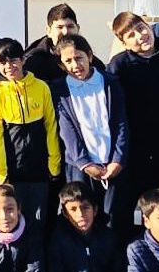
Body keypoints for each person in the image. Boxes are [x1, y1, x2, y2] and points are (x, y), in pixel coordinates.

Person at [107, 12, 159, 231]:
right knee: (122, 215)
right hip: (131, 153)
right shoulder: (119, 66)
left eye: (141, 28)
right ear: (124, 43)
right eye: (131, 35)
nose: (140, 36)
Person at [0, 38, 61, 227]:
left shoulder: (41, 87)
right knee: (15, 221)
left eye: (13, 60)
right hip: (14, 172)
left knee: (39, 222)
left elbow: (51, 125)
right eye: (2, 62)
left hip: (40, 170)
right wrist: (1, 172)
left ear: (22, 60)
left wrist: (54, 162)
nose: (9, 66)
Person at [53, 34, 129, 218]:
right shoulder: (59, 89)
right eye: (68, 61)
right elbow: (67, 130)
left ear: (89, 55)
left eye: (79, 58)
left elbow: (121, 123)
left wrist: (117, 160)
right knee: (81, 218)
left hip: (111, 165)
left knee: (111, 217)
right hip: (80, 168)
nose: (75, 65)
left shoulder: (110, 82)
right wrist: (84, 163)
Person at [22, 3, 78, 83]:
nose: (65, 32)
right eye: (60, 27)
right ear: (48, 31)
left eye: (70, 26)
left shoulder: (90, 61)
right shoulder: (32, 61)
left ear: (78, 28)